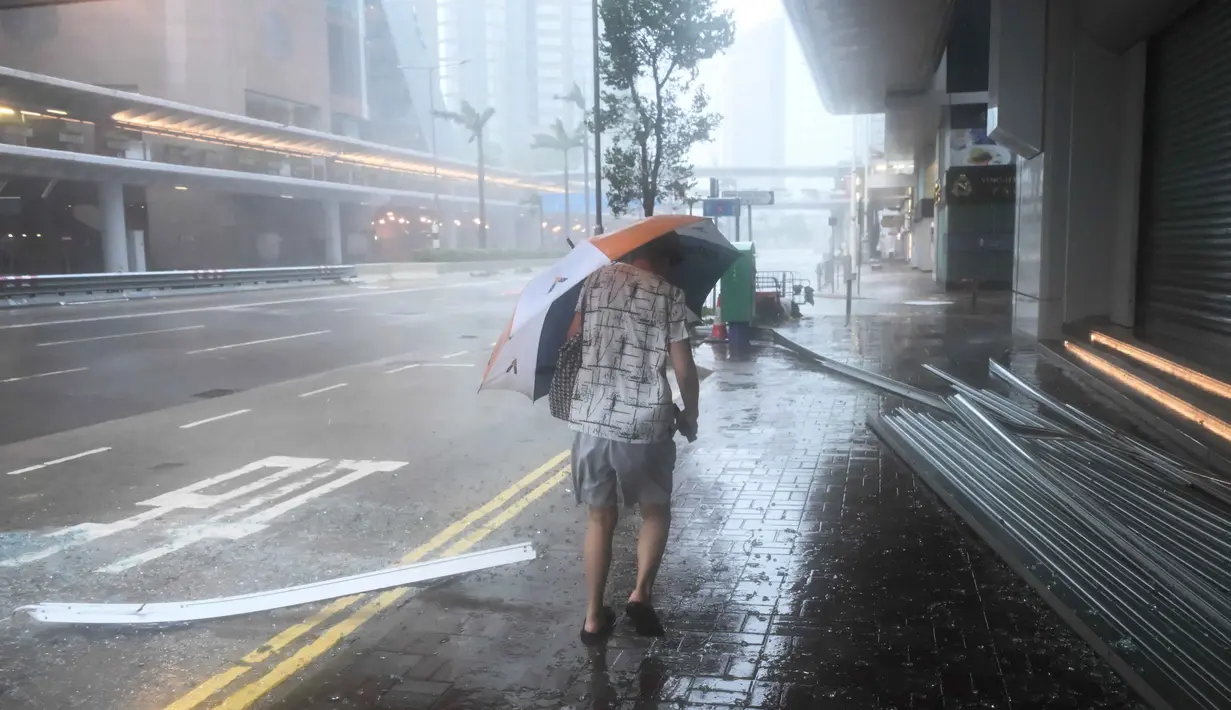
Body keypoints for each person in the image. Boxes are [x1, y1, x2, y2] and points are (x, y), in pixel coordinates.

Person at [566, 236, 700, 644]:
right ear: (664, 259)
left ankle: (592, 618)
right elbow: (684, 368)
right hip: (645, 424)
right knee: (655, 511)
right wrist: (689, 414)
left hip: (591, 421)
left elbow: (573, 339)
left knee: (599, 518)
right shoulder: (669, 294)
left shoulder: (593, 282)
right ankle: (640, 593)